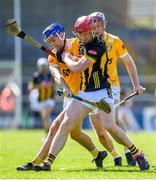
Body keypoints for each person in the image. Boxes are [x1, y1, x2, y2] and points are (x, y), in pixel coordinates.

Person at [33, 16, 149, 171]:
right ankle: (48, 163)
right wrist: (65, 57)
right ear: (77, 33)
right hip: (85, 93)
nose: (84, 36)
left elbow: (78, 67)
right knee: (65, 124)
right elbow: (70, 60)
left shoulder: (98, 45)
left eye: (87, 33)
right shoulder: (80, 43)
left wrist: (66, 58)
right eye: (81, 34)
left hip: (102, 92)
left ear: (92, 31)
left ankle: (138, 154)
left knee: (109, 125)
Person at [16, 24, 108, 171]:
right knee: (75, 134)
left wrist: (66, 58)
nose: (52, 44)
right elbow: (56, 73)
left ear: (61, 35)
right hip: (71, 95)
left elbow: (82, 64)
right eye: (49, 42)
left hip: (85, 93)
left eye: (53, 39)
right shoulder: (52, 56)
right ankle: (98, 154)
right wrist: (64, 87)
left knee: (55, 127)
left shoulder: (77, 44)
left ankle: (36, 162)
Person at [88, 11, 143, 166]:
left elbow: (129, 62)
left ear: (105, 24)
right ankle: (117, 156)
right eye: (94, 26)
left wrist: (136, 84)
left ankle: (130, 153)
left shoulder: (115, 41)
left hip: (111, 86)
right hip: (91, 88)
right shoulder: (85, 42)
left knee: (113, 121)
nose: (97, 28)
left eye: (99, 25)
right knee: (100, 129)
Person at [28, 58, 55, 132]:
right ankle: (48, 134)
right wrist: (40, 85)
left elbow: (57, 84)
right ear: (38, 66)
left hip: (50, 99)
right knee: (45, 118)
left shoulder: (51, 75)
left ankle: (50, 133)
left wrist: (51, 84)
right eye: (41, 66)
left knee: (46, 114)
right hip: (40, 99)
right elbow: (30, 87)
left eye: (44, 66)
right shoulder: (36, 76)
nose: (43, 68)